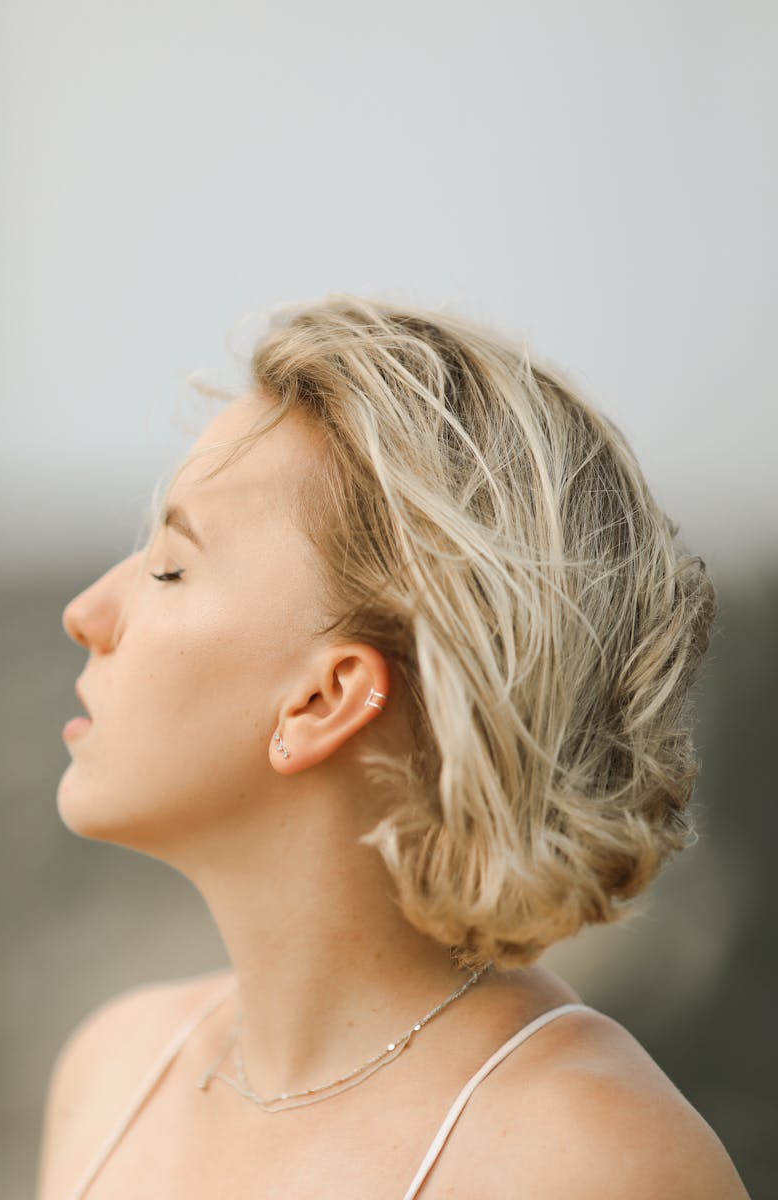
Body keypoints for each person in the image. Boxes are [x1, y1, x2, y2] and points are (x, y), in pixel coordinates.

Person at [36, 294, 749, 1198]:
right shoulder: (112, 1072)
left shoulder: (587, 1160)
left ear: (324, 699)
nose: (86, 613)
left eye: (171, 568)